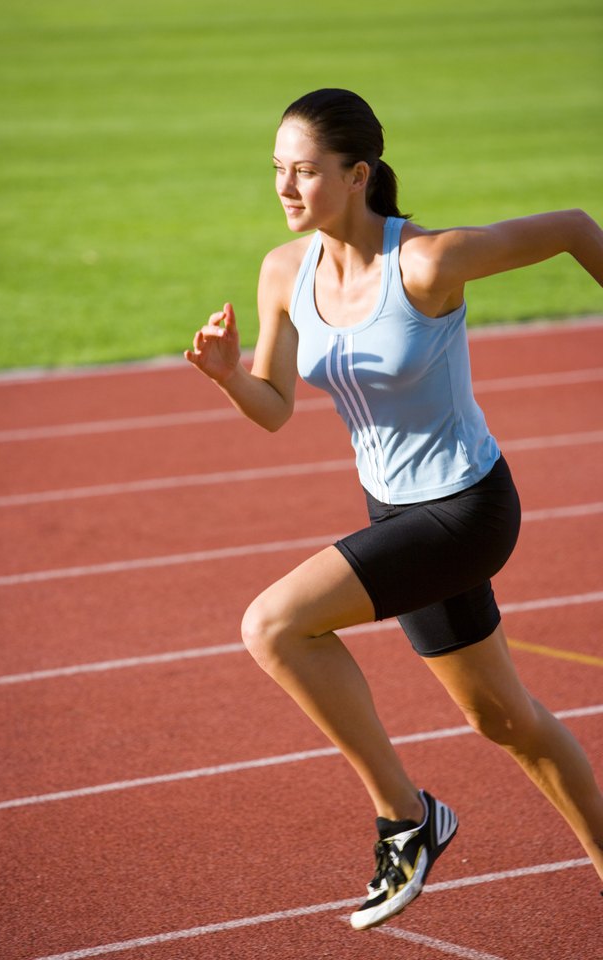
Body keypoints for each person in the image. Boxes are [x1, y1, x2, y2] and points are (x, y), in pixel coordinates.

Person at [185, 88, 603, 929]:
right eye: (277, 170)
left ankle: (406, 818)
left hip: (466, 510)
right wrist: (231, 375)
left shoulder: (427, 262)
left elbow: (572, 227)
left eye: (305, 171)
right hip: (395, 514)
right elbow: (274, 406)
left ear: (359, 175)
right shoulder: (283, 271)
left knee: (273, 625)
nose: (286, 188)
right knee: (504, 719)